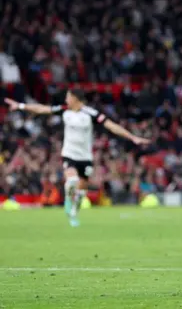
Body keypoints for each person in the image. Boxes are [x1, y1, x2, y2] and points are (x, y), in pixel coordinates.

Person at [5, 89, 150, 226]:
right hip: (69, 154)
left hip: (85, 157)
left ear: (75, 99)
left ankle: (75, 207)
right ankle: (70, 205)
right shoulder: (64, 110)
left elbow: (111, 126)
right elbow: (43, 109)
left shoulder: (91, 113)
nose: (66, 99)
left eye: (68, 96)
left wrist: (132, 137)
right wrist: (20, 106)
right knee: (72, 180)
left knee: (81, 190)